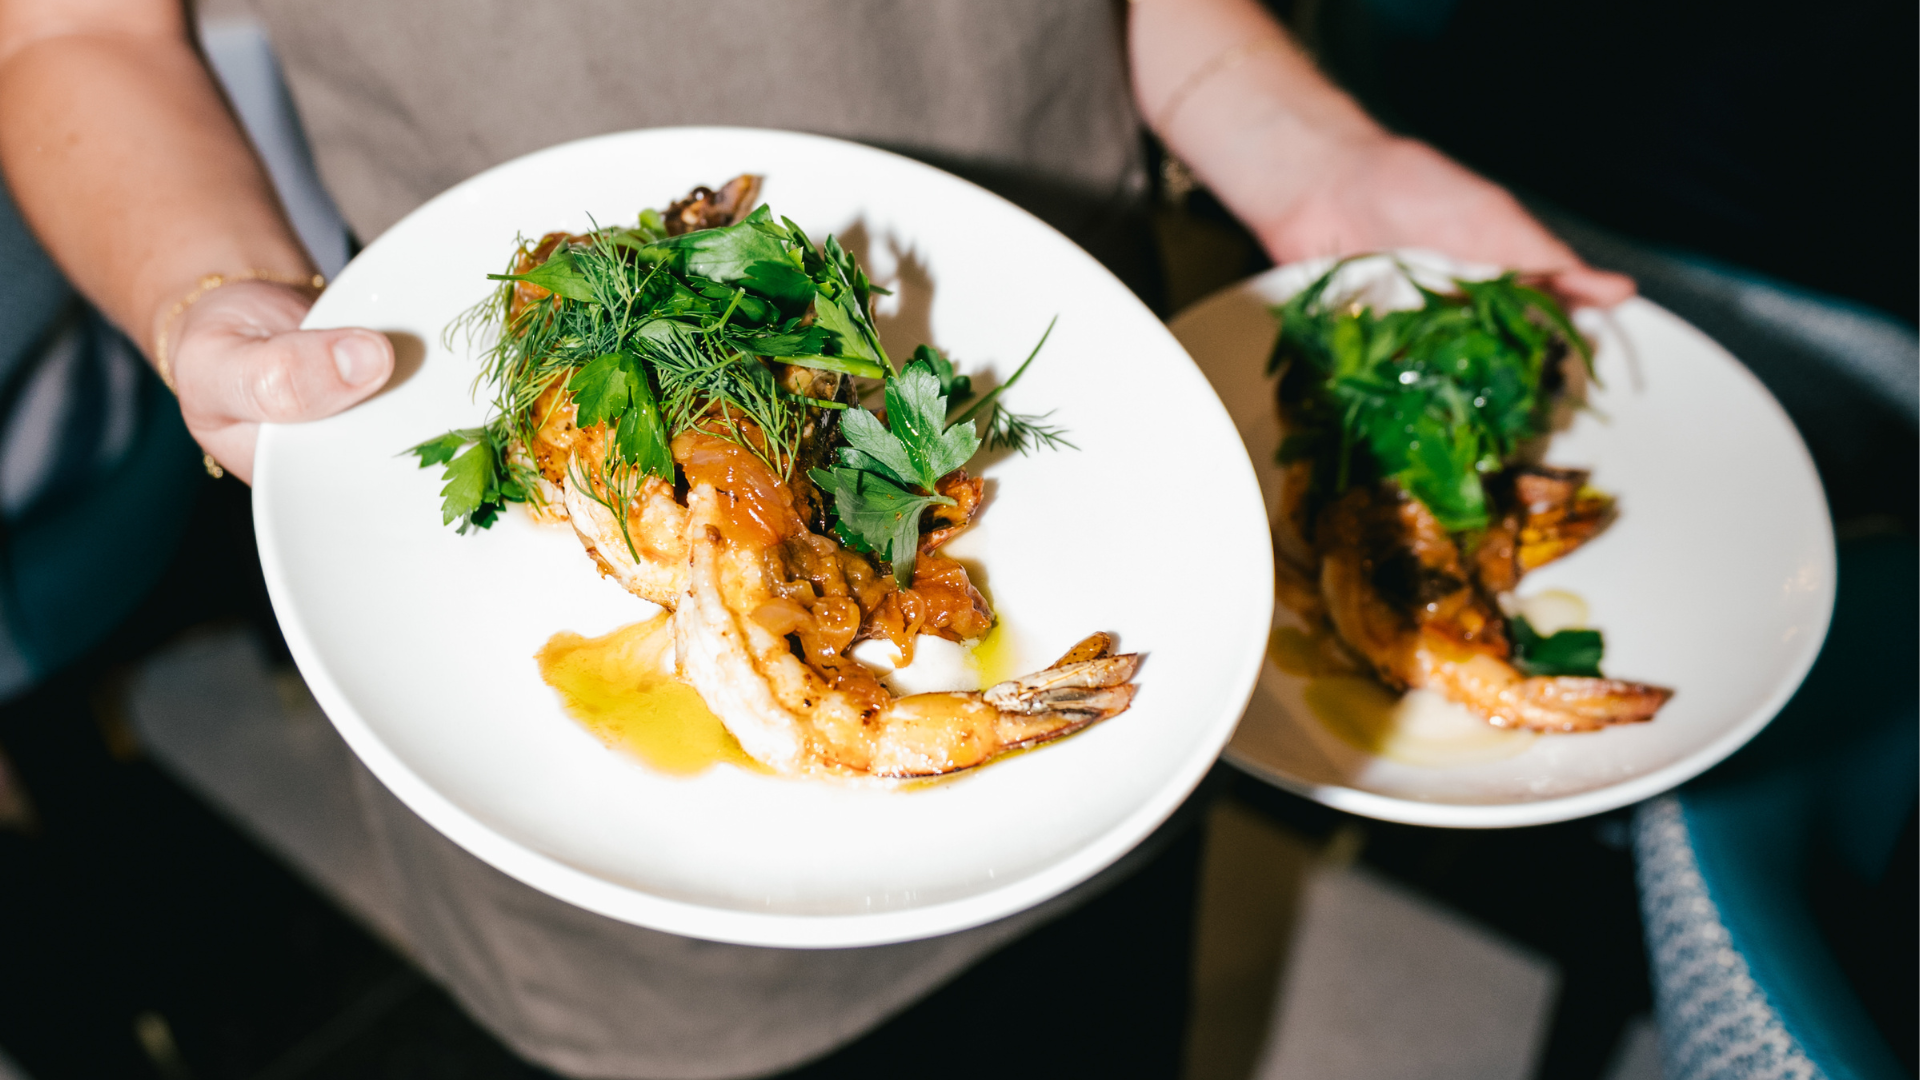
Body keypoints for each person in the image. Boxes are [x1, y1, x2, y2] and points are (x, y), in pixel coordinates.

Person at [0, 1, 1632, 1077]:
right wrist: (221, 301)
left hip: (1086, 510)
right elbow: (72, 31)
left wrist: (1304, 146)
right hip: (588, 790)